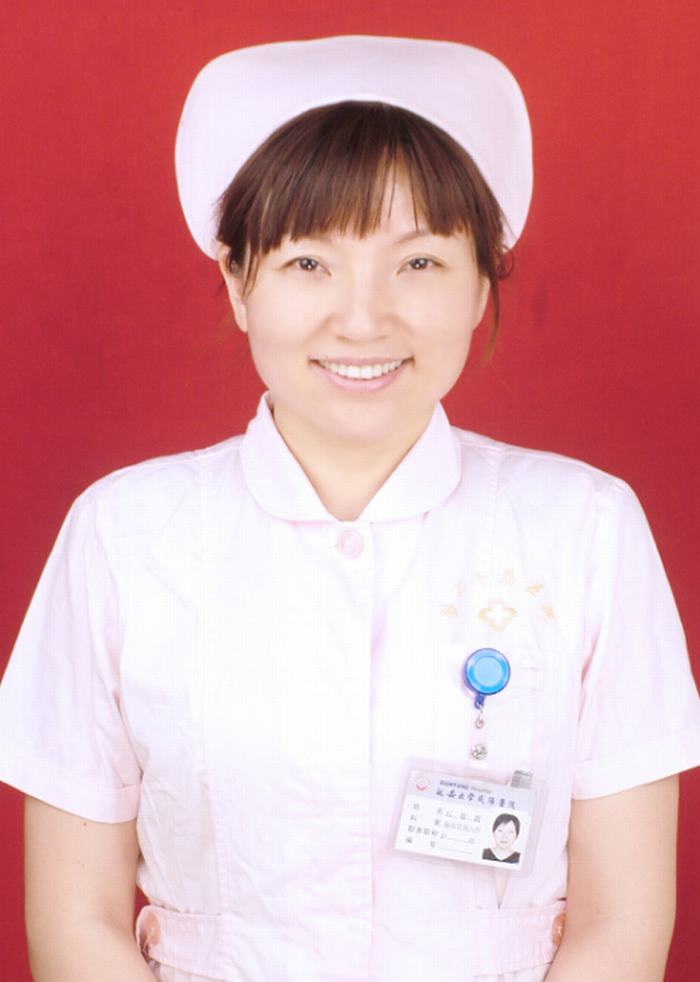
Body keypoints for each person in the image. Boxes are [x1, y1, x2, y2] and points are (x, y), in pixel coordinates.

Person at [1, 34, 699, 982]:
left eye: (419, 264)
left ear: (482, 282)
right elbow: (76, 922)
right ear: (238, 283)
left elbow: (622, 923)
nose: (363, 319)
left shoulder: (587, 529)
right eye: (308, 264)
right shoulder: (124, 536)